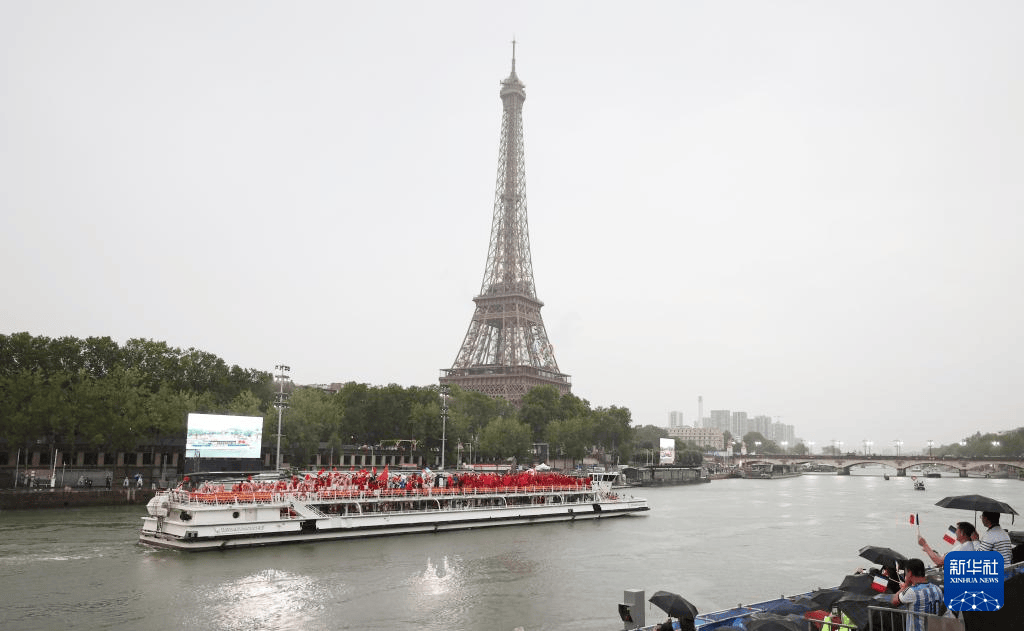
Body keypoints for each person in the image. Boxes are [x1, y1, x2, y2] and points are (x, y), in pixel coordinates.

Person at [890, 558, 944, 631]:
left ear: (910, 573)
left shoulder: (912, 592)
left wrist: (905, 586)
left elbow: (894, 602)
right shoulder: (937, 589)